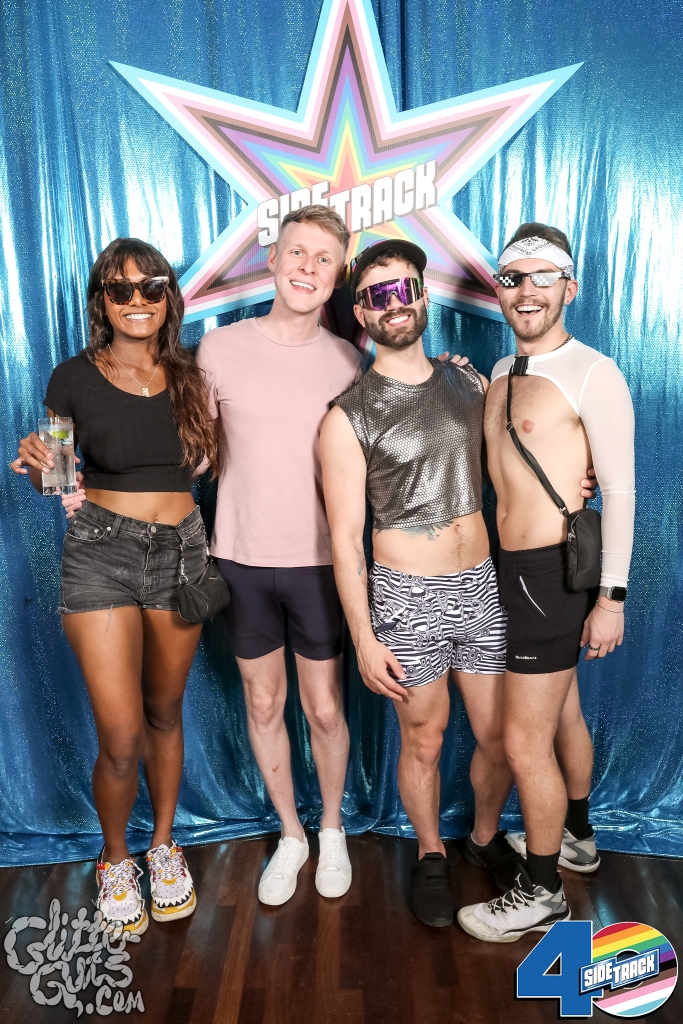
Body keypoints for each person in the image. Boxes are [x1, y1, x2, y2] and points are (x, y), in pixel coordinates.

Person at [11, 239, 218, 935]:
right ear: (101, 300)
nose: (136, 301)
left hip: (183, 552)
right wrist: (38, 465)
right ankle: (116, 857)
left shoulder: (191, 375)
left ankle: (162, 847)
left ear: (168, 297)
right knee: (122, 734)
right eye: (120, 289)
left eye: (150, 287)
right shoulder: (72, 377)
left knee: (164, 712)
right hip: (101, 553)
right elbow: (57, 480)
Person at [319, 239, 518, 928]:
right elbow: (344, 540)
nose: (394, 304)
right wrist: (363, 638)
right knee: (424, 740)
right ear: (360, 313)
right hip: (406, 599)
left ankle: (484, 838)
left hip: (481, 587)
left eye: (404, 288)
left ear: (424, 296)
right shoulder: (345, 416)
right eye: (377, 296)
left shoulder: (469, 384)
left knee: (501, 736)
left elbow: (517, 463)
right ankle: (431, 853)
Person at [457, 224, 635, 942]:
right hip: (508, 570)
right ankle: (578, 838)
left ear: (569, 287)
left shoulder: (594, 371)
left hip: (550, 576)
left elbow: (618, 491)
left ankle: (541, 892)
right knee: (560, 716)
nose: (525, 291)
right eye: (512, 278)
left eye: (542, 277)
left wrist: (611, 599)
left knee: (523, 741)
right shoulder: (502, 369)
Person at [195, 205, 361, 905]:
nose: (307, 267)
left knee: (324, 708)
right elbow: (194, 455)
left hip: (320, 564)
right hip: (240, 558)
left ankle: (331, 829)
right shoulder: (217, 350)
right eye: (297, 252)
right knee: (263, 703)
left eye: (324, 259)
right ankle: (291, 834)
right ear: (272, 258)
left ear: (337, 276)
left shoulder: (350, 361)